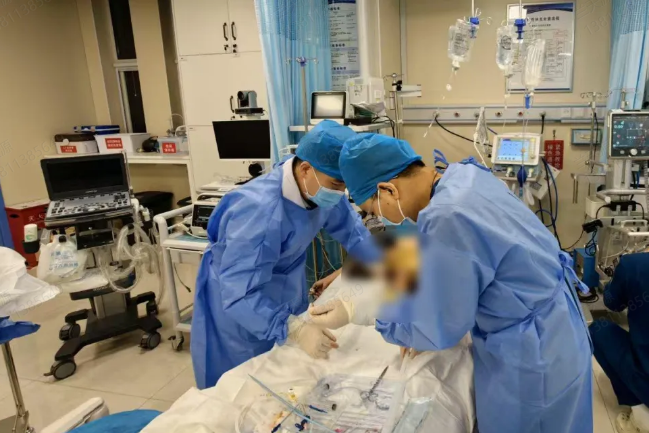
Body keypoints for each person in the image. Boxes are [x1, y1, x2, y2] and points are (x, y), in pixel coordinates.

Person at [310, 133, 593, 433]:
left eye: (373, 211)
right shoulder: (463, 176)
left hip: (533, 357)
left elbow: (438, 327)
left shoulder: (449, 216)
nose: (377, 219)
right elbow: (450, 255)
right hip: (558, 327)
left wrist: (364, 313)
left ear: (388, 190)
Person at [191, 121, 380, 389]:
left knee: (289, 373)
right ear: (305, 170)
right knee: (244, 383)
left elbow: (354, 233)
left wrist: (381, 268)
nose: (340, 192)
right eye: (337, 184)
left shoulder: (320, 186)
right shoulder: (258, 211)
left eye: (345, 185)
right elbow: (240, 294)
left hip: (285, 285)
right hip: (238, 300)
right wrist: (294, 329)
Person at [590, 253, 649, 433]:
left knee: (598, 330)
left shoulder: (635, 264)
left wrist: (614, 281)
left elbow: (612, 303)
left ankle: (641, 415)